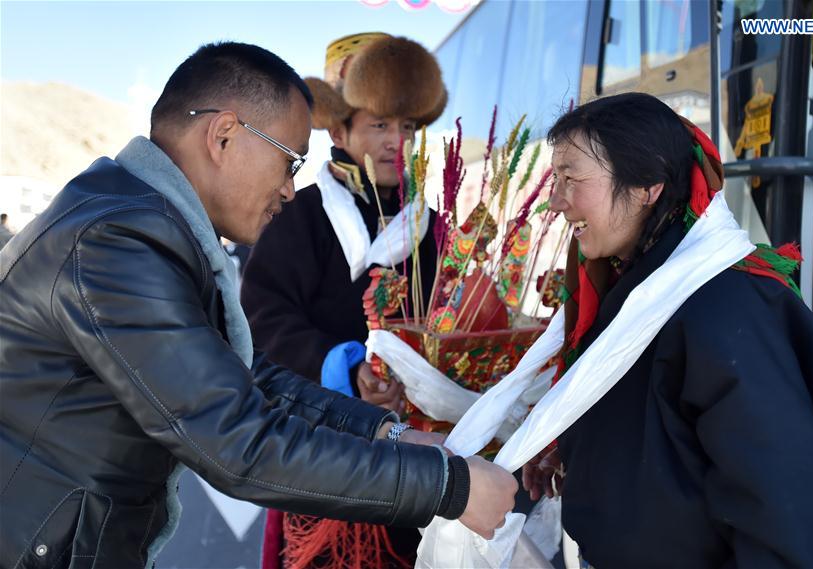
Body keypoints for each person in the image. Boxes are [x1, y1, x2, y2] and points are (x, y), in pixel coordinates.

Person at [0, 42, 517, 569]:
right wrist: (449, 487)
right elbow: (238, 441)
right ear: (223, 135)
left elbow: (243, 375)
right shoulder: (119, 242)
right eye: (290, 161)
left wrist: (387, 432)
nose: (290, 189)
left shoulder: (138, 222)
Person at [521, 93, 813, 567]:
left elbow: (793, 520)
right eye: (556, 180)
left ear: (648, 186)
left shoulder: (721, 305)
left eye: (571, 178)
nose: (555, 202)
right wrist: (580, 449)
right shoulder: (644, 288)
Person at [241, 33, 445, 568]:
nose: (396, 142)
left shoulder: (432, 226)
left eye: (407, 127)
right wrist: (345, 368)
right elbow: (262, 319)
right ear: (338, 130)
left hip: (416, 449)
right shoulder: (297, 214)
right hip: (322, 448)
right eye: (379, 125)